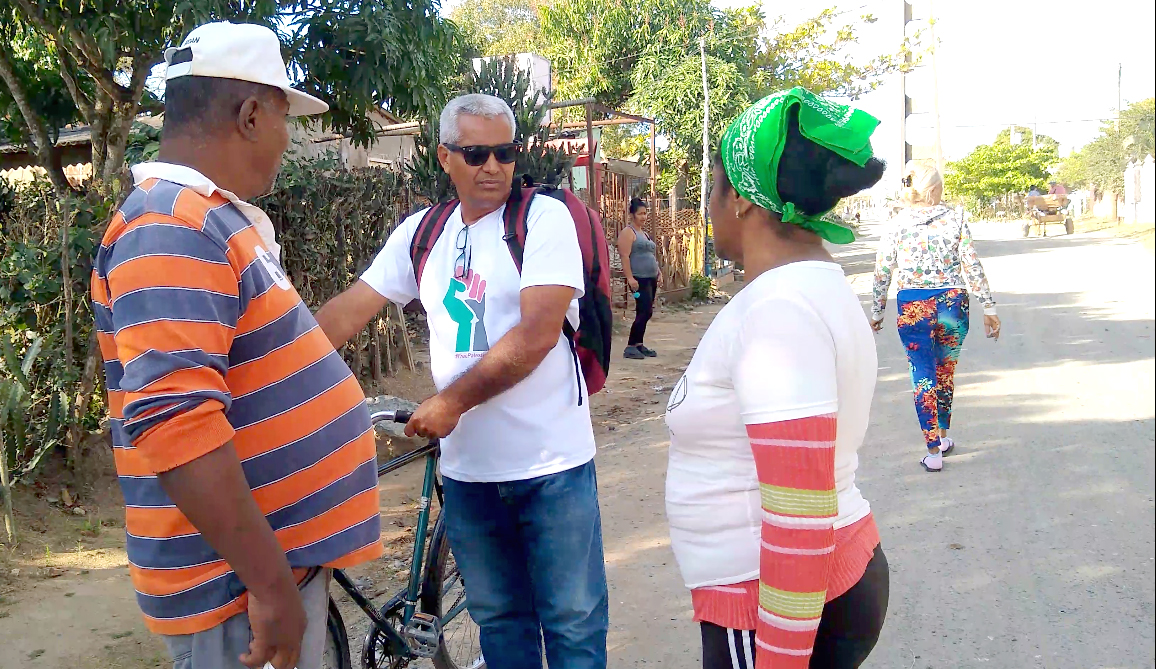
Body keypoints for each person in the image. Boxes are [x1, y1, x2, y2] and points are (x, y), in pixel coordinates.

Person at [90, 22, 382, 669]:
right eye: (284, 117)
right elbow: (177, 424)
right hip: (234, 591)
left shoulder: (212, 220)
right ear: (251, 115)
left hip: (259, 574)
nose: (288, 139)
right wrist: (270, 584)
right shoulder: (169, 224)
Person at [314, 94, 609, 668]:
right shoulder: (423, 232)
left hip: (552, 468)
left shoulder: (543, 220)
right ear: (445, 156)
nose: (493, 166)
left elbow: (537, 335)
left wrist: (450, 402)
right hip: (470, 475)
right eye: (476, 154)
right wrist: (276, 373)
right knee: (499, 622)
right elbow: (350, 310)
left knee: (572, 627)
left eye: (505, 152)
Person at [665, 87, 889, 669]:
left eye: (710, 190)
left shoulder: (779, 312)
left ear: (739, 198)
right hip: (791, 590)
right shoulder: (806, 286)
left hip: (770, 600)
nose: (707, 209)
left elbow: (799, 511)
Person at [870, 161, 1002, 473]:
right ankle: (942, 435)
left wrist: (877, 311)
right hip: (953, 301)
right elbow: (971, 263)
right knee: (945, 371)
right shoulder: (956, 216)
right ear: (933, 190)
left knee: (923, 373)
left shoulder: (896, 221)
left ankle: (933, 450)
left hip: (913, 302)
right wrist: (989, 307)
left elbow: (883, 269)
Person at [618, 197, 663, 359]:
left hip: (651, 277)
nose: (643, 217)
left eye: (645, 213)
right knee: (644, 311)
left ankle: (638, 344)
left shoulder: (644, 234)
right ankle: (630, 346)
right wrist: (630, 278)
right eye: (640, 214)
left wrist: (658, 271)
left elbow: (651, 254)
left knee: (646, 311)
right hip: (639, 278)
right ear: (632, 215)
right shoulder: (628, 232)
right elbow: (624, 256)